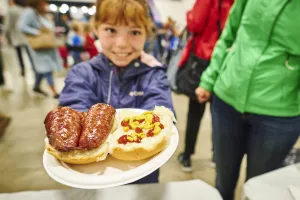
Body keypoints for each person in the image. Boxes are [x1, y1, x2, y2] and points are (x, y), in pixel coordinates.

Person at [59, 0, 174, 184]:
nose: (122, 44)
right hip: (92, 178)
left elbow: (162, 117)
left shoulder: (155, 74)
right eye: (111, 30)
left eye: (134, 32)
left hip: (143, 173)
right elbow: (73, 112)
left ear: (147, 33)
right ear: (96, 28)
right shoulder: (82, 74)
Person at [196, 0, 300, 199]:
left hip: (279, 114)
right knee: (222, 182)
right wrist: (209, 78)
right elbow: (230, 33)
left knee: (260, 189)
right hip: (227, 97)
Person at [177, 0, 233, 172]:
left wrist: (188, 14)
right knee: (219, 112)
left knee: (195, 112)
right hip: (224, 60)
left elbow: (195, 24)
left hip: (203, 59)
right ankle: (217, 155)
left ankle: (187, 157)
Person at [18, 0, 61, 98]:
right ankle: (54, 92)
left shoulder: (40, 12)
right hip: (40, 46)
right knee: (47, 68)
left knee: (41, 69)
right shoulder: (30, 12)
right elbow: (21, 26)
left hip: (46, 46)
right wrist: (37, 32)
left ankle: (36, 86)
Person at [4, 0, 35, 77]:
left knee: (19, 55)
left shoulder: (11, 10)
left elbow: (7, 26)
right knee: (30, 54)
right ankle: (34, 68)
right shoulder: (24, 10)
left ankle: (22, 70)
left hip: (15, 37)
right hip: (26, 36)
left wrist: (6, 36)